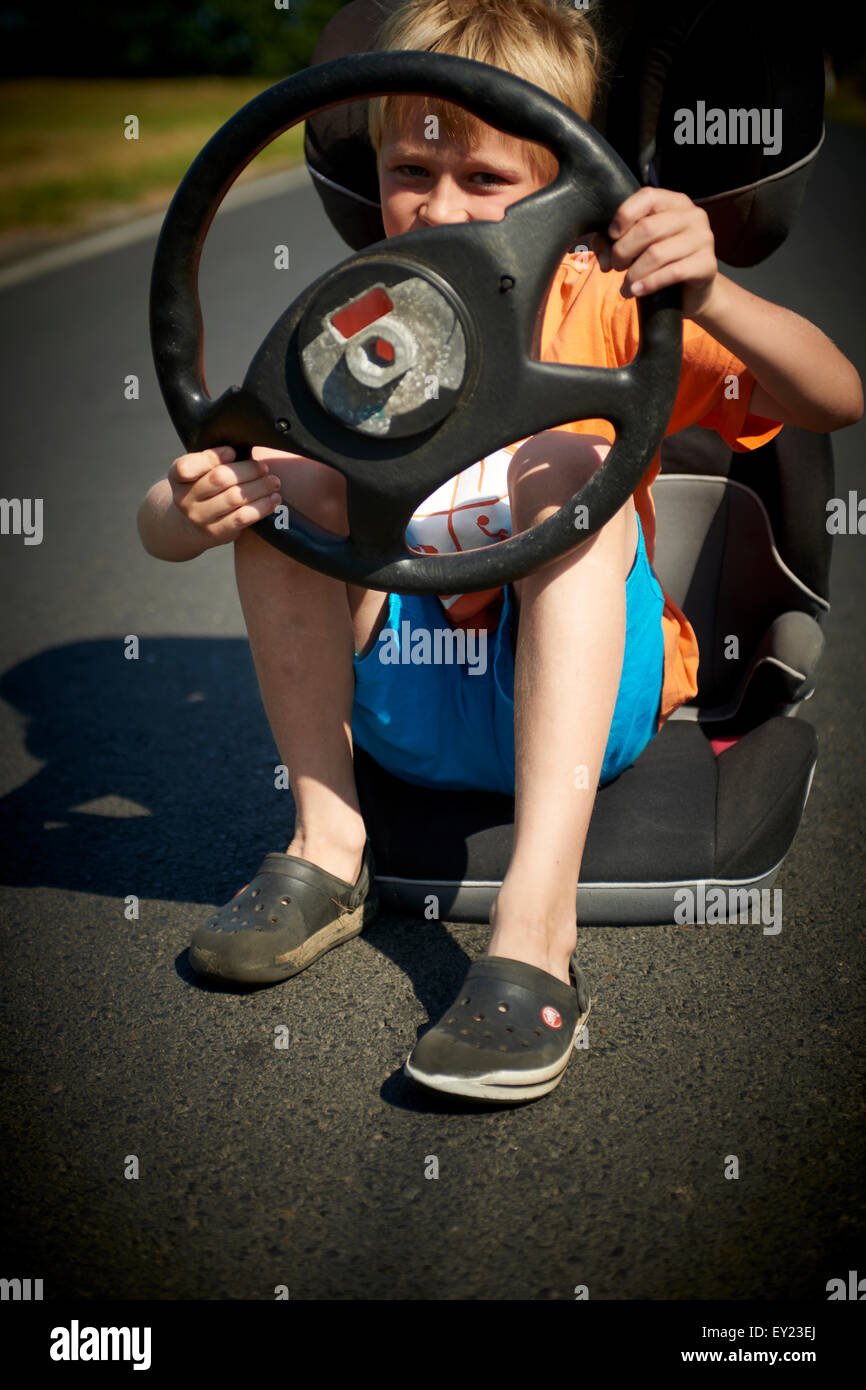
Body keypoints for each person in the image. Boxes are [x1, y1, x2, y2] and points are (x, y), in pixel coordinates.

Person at [137, 0, 862, 1103]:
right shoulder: (355, 325)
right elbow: (166, 516)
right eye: (409, 170)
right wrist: (189, 511)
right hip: (407, 707)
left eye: (486, 178)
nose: (436, 205)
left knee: (560, 472)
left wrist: (709, 288)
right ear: (373, 167)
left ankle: (535, 925)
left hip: (590, 706)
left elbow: (833, 395)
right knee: (281, 485)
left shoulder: (613, 300)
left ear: (562, 184)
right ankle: (328, 844)